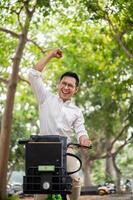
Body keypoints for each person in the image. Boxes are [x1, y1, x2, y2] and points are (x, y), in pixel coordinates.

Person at [28, 48, 91, 200]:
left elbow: (81, 131)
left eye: (70, 85)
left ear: (75, 89)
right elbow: (33, 74)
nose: (66, 87)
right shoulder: (45, 98)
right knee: (41, 189)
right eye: (64, 83)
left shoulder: (76, 111)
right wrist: (50, 54)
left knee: (75, 180)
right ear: (58, 84)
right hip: (44, 151)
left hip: (66, 151)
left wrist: (84, 139)